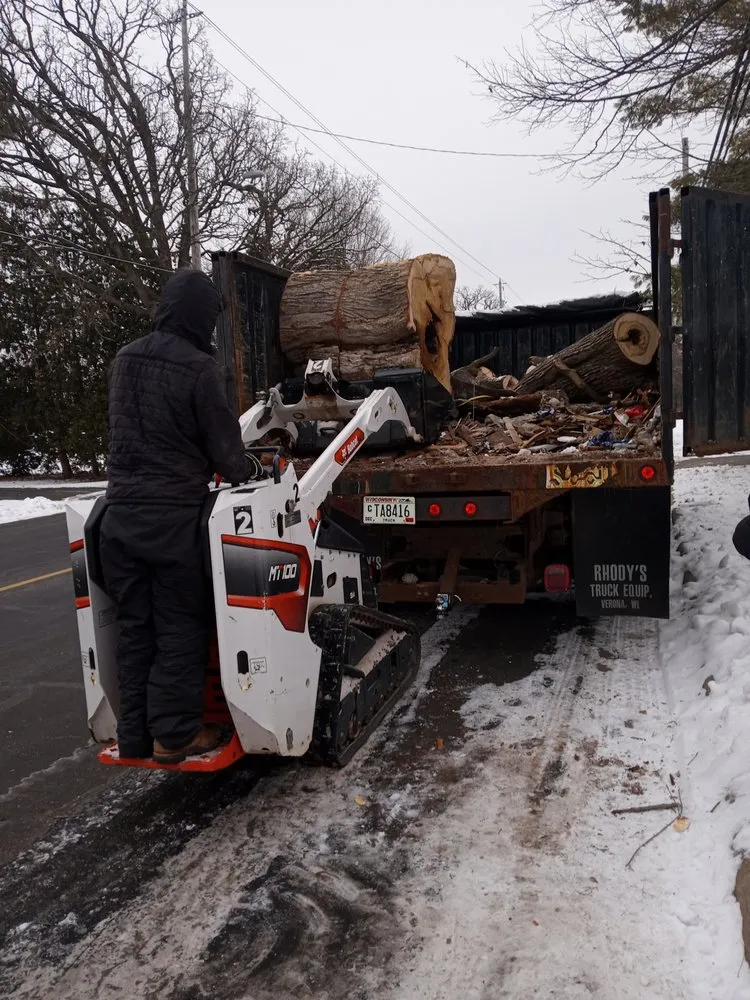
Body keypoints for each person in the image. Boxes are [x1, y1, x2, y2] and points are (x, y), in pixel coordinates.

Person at [99, 268, 253, 764]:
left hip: (119, 518)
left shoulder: (125, 359)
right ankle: (176, 735)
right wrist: (246, 467)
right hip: (171, 521)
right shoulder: (197, 368)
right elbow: (225, 451)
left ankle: (137, 735)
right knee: (178, 627)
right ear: (202, 318)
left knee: (134, 628)